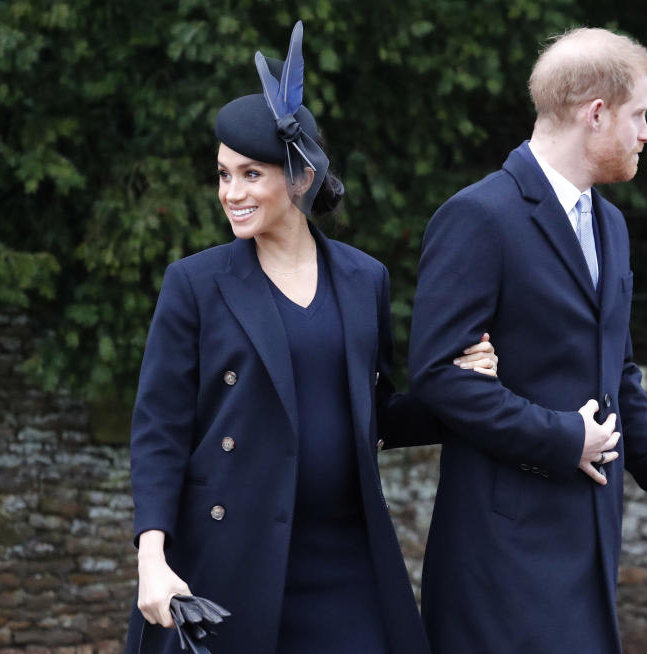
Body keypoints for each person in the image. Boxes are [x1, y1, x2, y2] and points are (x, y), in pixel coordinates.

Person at [124, 22, 498, 654]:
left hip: (346, 559)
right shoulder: (194, 284)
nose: (231, 194)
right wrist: (151, 558)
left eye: (250, 175)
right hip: (227, 560)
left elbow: (372, 417)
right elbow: (159, 430)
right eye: (223, 176)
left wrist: (454, 390)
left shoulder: (363, 279)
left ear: (298, 179)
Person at [407, 27, 647, 654]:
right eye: (639, 115)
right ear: (595, 113)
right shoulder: (478, 216)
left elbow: (616, 369)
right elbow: (438, 377)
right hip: (500, 554)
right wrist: (563, 438)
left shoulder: (613, 224)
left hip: (588, 547)